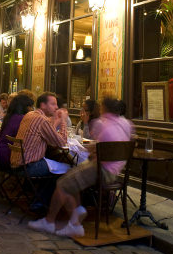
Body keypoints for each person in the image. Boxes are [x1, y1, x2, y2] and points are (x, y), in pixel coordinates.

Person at [28, 97, 134, 237]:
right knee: (72, 173)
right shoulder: (126, 124)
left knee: (62, 183)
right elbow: (112, 146)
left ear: (104, 109)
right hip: (116, 171)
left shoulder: (103, 124)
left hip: (101, 170)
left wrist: (90, 149)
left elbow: (98, 151)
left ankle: (51, 221)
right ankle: (76, 213)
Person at [11, 92, 68, 209]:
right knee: (67, 169)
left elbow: (49, 135)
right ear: (43, 105)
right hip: (29, 166)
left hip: (16, 163)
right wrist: (63, 121)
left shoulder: (30, 115)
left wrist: (55, 120)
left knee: (54, 166)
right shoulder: (42, 120)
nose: (56, 107)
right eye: (53, 104)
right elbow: (61, 142)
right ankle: (41, 202)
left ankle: (38, 198)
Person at [0, 93, 34, 168]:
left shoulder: (10, 116)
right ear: (25, 107)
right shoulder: (23, 119)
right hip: (10, 157)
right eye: (31, 106)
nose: (32, 109)